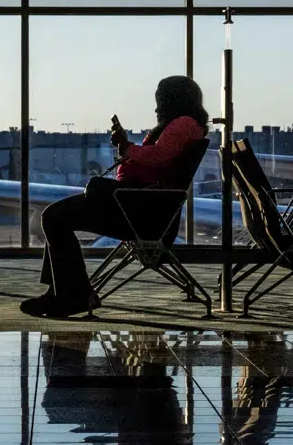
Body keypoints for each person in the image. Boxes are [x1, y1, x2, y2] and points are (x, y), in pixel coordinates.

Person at [22, 76, 209, 318]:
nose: (156, 108)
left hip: (139, 211)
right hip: (136, 205)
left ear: (173, 100)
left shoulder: (184, 125)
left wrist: (127, 149)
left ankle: (70, 295)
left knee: (54, 217)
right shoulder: (185, 126)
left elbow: (159, 157)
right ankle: (60, 292)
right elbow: (158, 161)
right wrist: (127, 148)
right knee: (54, 217)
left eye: (160, 101)